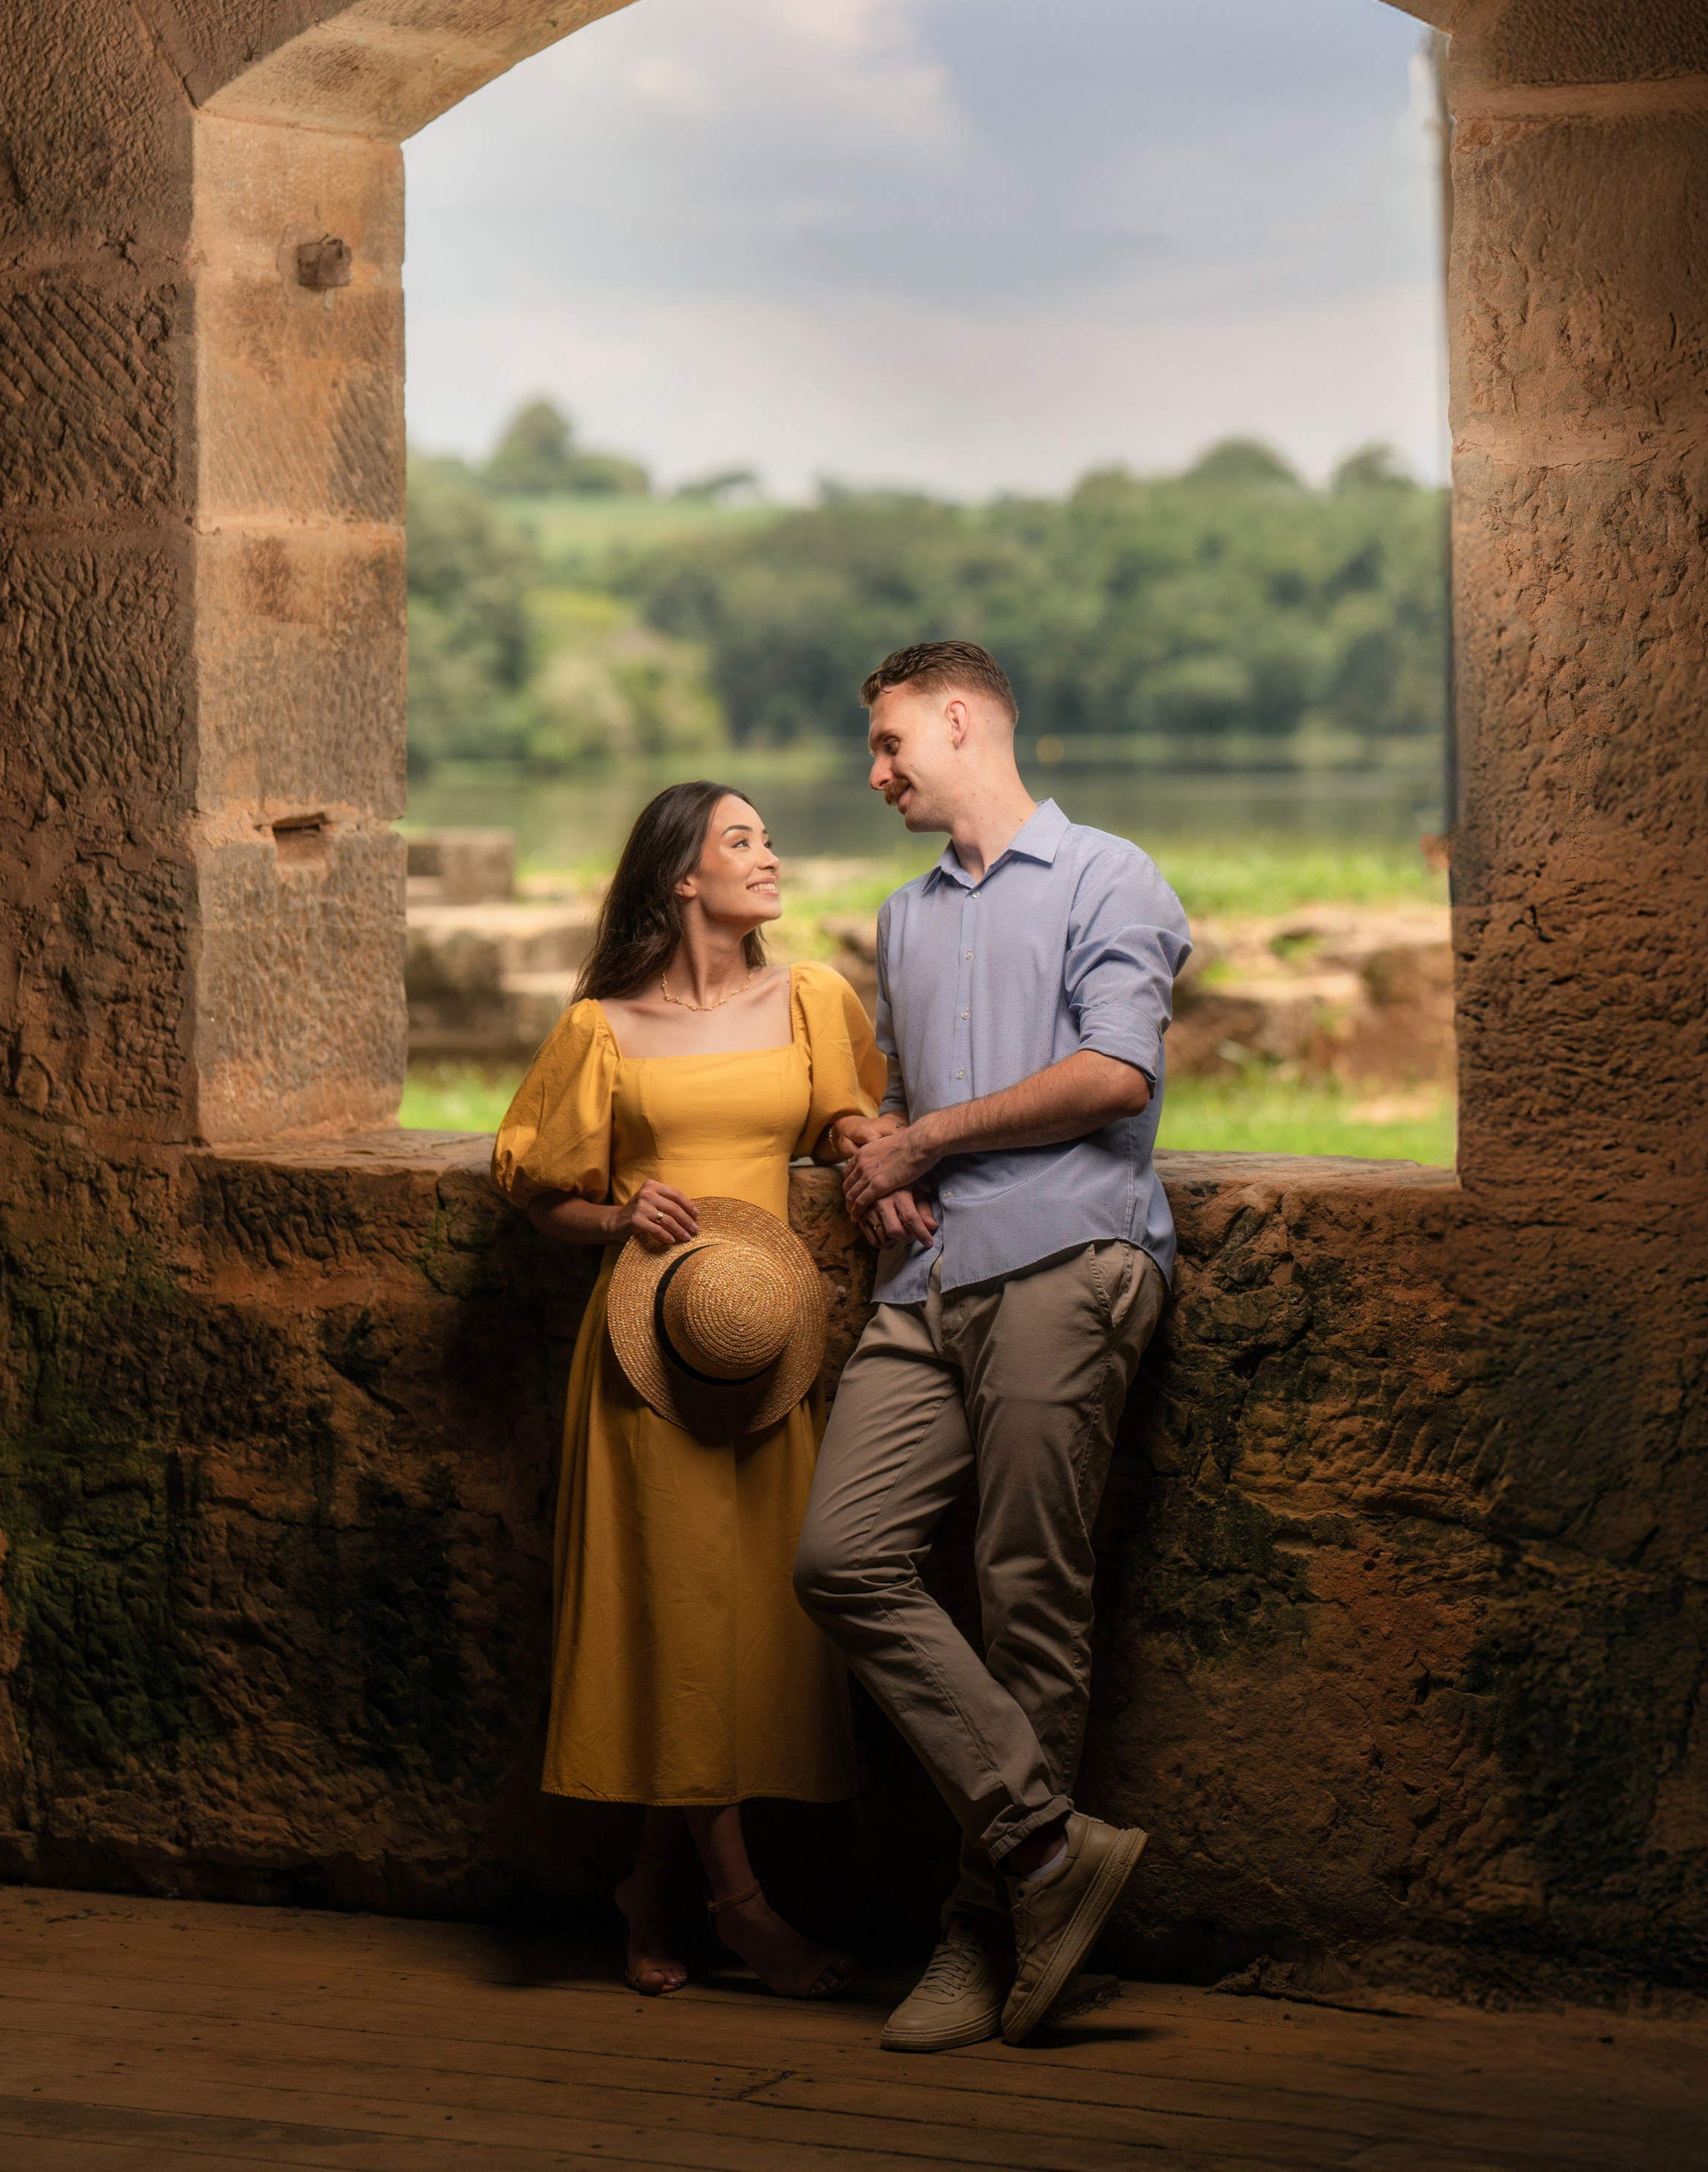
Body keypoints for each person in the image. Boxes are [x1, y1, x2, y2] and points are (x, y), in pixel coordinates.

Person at [794, 641, 1190, 2051]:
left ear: (961, 721)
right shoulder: (904, 920)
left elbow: (1113, 1076)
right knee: (839, 1558)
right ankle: (1044, 1849)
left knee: (1030, 1595)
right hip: (926, 1279)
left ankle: (978, 1933)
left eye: (894, 742)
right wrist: (882, 1163)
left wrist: (932, 1138)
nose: (880, 772)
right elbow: (912, 1100)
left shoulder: (1110, 878)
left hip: (1068, 1256)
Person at [492, 779, 884, 2000]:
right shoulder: (602, 1027)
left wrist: (885, 1154)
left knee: (739, 1623)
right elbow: (534, 1187)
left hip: (762, 1346)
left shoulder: (811, 996)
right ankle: (744, 1906)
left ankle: (648, 1884)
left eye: (769, 836)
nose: (771, 857)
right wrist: (619, 1212)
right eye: (742, 841)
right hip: (650, 1356)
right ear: (681, 877)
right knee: (672, 1620)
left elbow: (849, 1122)